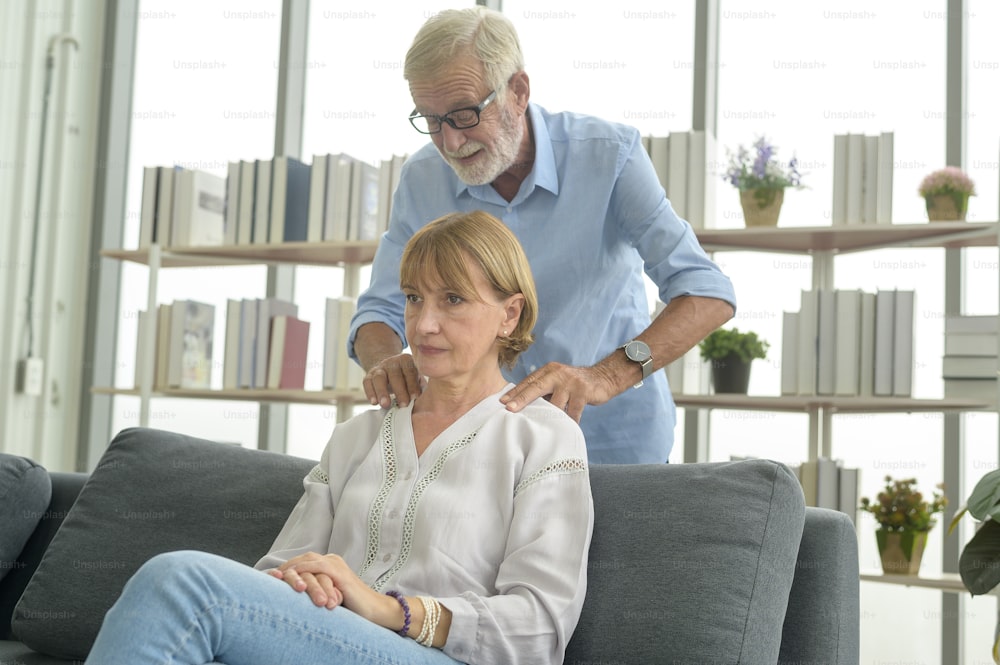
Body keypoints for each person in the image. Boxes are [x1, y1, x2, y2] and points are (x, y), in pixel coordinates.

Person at [84, 211, 594, 665]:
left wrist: (394, 610)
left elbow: (538, 631)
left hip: (440, 654)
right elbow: (281, 569)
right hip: (327, 636)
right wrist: (307, 580)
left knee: (179, 583)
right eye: (414, 299)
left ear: (510, 313)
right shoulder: (358, 435)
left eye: (453, 299)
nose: (424, 324)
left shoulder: (545, 439)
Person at [350, 6, 737, 464]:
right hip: (480, 445)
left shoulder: (610, 157)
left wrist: (605, 377)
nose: (450, 143)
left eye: (464, 114)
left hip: (612, 443)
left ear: (518, 91)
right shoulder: (422, 177)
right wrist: (384, 360)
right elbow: (380, 309)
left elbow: (707, 292)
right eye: (431, 120)